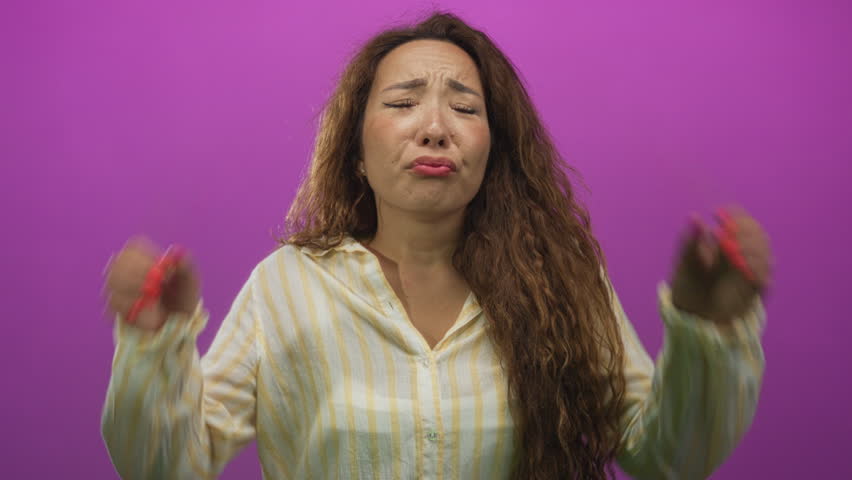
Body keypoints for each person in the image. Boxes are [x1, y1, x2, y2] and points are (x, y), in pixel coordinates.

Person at [101, 12, 773, 480]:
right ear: (356, 151)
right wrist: (153, 345)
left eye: (465, 106)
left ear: (493, 152)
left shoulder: (563, 282)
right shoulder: (287, 286)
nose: (434, 127)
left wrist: (708, 333)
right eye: (402, 102)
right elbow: (168, 466)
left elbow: (669, 458)